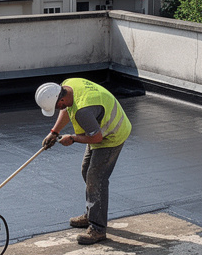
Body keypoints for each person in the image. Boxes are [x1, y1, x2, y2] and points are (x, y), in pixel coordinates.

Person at [35, 78, 132, 245]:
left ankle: (98, 229)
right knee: (85, 170)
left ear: (61, 98)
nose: (59, 109)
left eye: (58, 106)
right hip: (99, 127)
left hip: (112, 134)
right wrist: (54, 132)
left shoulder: (83, 111)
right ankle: (92, 213)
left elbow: (96, 137)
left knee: (96, 179)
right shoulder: (68, 85)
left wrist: (72, 138)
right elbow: (66, 109)